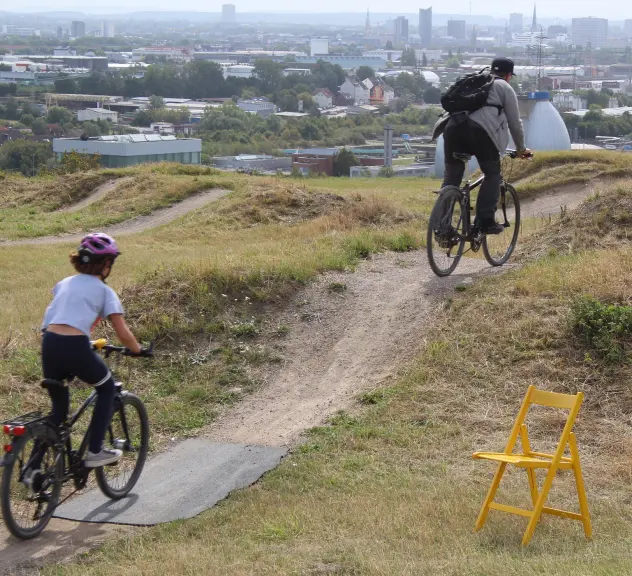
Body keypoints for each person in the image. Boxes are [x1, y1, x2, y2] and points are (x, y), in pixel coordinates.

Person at [33, 233, 146, 478]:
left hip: (50, 344)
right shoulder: (104, 291)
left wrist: (84, 341)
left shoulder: (64, 283)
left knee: (58, 413)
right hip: (74, 346)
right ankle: (95, 451)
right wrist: (137, 350)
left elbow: (54, 319)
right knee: (106, 389)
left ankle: (33, 469)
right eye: (110, 263)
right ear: (106, 264)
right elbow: (122, 332)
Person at [433, 57, 532, 234]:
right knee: (492, 173)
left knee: (452, 177)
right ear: (509, 75)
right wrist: (521, 149)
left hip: (452, 128)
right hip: (479, 131)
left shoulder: (473, 81)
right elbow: (515, 123)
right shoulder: (504, 87)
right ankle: (485, 221)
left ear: (491, 70)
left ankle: (442, 227)